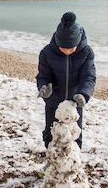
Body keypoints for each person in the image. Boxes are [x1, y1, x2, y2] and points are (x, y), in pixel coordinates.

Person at [36, 11, 96, 149]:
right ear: (57, 42)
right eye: (63, 48)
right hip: (53, 101)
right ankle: (51, 164)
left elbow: (89, 76)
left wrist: (84, 94)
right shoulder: (47, 53)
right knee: (51, 135)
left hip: (75, 102)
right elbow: (43, 76)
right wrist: (44, 88)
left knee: (74, 136)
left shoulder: (86, 52)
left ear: (78, 42)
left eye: (71, 48)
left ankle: (73, 167)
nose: (67, 51)